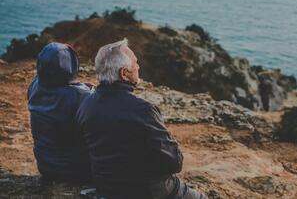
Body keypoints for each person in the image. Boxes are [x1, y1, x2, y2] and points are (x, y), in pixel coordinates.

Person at [76, 39, 206, 198]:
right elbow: (174, 163)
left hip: (106, 188)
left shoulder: (86, 104)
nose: (138, 67)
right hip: (148, 192)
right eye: (135, 63)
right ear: (124, 73)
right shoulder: (144, 110)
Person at [27, 42, 92, 184]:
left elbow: (58, 95)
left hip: (45, 166)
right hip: (76, 170)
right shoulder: (81, 96)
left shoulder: (35, 84)